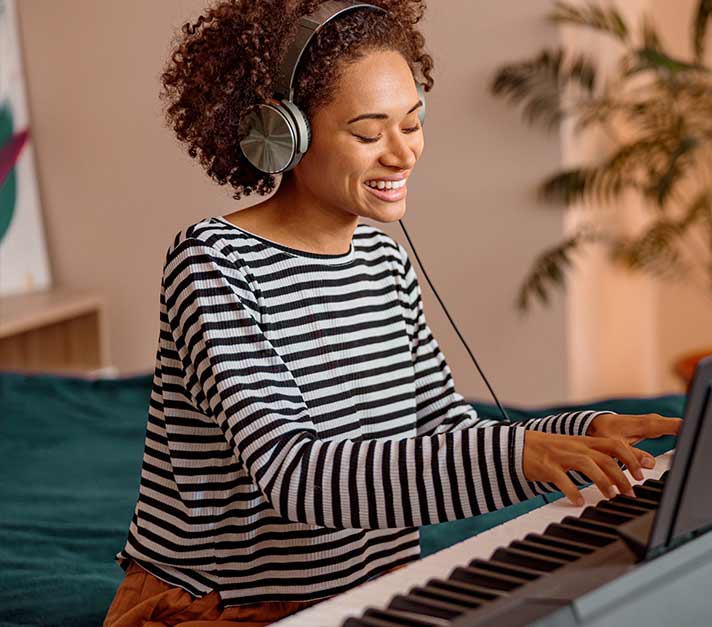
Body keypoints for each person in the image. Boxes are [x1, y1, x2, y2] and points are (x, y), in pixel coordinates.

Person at [103, 1, 680, 625]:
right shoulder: (214, 261)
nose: (403, 155)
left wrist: (580, 432)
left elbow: (443, 429)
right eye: (368, 134)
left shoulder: (385, 261)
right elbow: (294, 474)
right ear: (282, 135)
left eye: (413, 122)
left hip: (369, 589)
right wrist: (520, 454)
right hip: (221, 606)